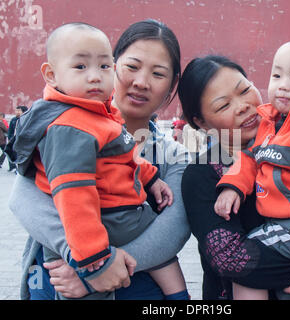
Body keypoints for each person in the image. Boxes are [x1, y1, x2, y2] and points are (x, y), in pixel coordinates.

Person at [9, 19, 190, 300]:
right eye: (132, 67)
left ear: (171, 85)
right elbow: (23, 198)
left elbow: (173, 231)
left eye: (158, 74)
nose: (141, 82)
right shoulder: (61, 124)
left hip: (138, 290)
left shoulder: (172, 154)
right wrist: (91, 263)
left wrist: (99, 275)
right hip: (58, 278)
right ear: (116, 64)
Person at [179, 54, 290, 300]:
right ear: (201, 122)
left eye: (244, 90)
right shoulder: (201, 174)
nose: (242, 106)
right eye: (223, 105)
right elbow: (230, 259)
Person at [7, 105, 28, 171]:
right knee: (10, 152)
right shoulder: (13, 120)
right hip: (13, 139)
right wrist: (10, 138)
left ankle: (19, 168)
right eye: (16, 110)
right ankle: (12, 167)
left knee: (20, 154)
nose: (17, 112)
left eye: (19, 111)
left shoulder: (26, 119)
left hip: (21, 141)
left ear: (23, 112)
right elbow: (10, 130)